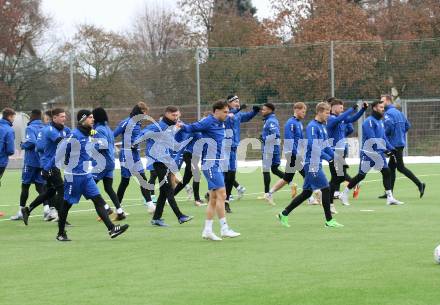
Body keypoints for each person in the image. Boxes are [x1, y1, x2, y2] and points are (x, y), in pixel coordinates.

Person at [54, 110, 129, 241]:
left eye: (93, 117)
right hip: (73, 176)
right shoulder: (74, 135)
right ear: (82, 120)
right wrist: (48, 168)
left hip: (86, 175)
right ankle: (61, 233)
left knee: (98, 200)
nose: (93, 120)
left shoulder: (89, 133)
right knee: (66, 205)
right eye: (90, 118)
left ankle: (111, 229)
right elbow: (60, 152)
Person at [277, 102, 344, 228]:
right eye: (326, 112)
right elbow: (314, 146)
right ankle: (329, 220)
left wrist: (336, 158)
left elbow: (325, 146)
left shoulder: (322, 127)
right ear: (319, 112)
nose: (328, 115)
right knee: (326, 188)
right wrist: (329, 159)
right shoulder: (312, 127)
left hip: (316, 162)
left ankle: (283, 213)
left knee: (307, 193)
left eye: (329, 113)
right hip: (311, 163)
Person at [180, 100, 241, 241]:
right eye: (225, 112)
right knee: (222, 194)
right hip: (210, 164)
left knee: (213, 199)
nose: (227, 114)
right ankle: (224, 228)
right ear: (216, 111)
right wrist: (182, 126)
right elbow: (193, 127)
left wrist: (234, 113)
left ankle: (207, 230)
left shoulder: (221, 122)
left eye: (227, 112)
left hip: (216, 163)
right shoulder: (209, 121)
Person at [136, 106, 193, 227]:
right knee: (168, 189)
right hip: (157, 162)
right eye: (174, 115)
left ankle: (156, 218)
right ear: (166, 114)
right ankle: (180, 216)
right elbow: (143, 133)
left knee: (163, 192)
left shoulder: (171, 127)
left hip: (165, 161)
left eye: (177, 115)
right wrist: (135, 142)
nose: (176, 117)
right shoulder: (157, 126)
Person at [339, 100, 403, 206]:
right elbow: (372, 139)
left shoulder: (380, 122)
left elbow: (383, 138)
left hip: (378, 153)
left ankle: (390, 198)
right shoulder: (368, 122)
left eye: (383, 107)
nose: (383, 109)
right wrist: (385, 150)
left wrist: (392, 148)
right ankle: (344, 194)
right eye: (381, 107)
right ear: (374, 108)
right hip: (368, 153)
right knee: (361, 176)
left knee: (386, 172)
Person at [22, 108, 71, 224]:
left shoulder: (63, 129)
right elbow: (62, 143)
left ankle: (28, 209)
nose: (64, 118)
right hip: (49, 165)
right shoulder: (49, 130)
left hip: (54, 164)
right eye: (62, 116)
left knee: (50, 192)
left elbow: (73, 136)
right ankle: (61, 218)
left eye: (65, 116)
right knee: (62, 190)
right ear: (54, 118)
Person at [378, 94, 425, 198]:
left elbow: (388, 128)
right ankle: (389, 192)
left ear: (388, 101)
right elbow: (407, 125)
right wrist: (400, 134)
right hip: (400, 143)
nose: (381, 103)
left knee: (400, 167)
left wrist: (383, 137)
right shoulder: (399, 113)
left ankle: (420, 184)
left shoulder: (388, 114)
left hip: (393, 145)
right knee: (391, 168)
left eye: (382, 101)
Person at [326, 98, 367, 212]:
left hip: (341, 152)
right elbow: (342, 118)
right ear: (333, 107)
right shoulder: (331, 118)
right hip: (334, 152)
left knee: (338, 178)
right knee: (336, 178)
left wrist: (363, 110)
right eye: (340, 107)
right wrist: (351, 109)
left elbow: (352, 119)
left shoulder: (340, 119)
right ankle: (330, 202)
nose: (342, 110)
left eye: (343, 108)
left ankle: (331, 198)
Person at [113, 102, 155, 214]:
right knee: (125, 182)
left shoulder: (138, 122)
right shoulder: (126, 122)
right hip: (126, 155)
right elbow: (113, 134)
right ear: (139, 111)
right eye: (144, 112)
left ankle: (150, 205)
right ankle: (118, 208)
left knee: (142, 179)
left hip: (135, 155)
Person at [265, 102, 307, 205]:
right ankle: (311, 197)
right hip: (293, 154)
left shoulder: (299, 123)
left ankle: (269, 193)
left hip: (297, 154)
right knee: (306, 174)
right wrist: (296, 154)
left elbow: (300, 140)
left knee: (287, 178)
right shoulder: (291, 123)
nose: (304, 113)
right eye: (303, 111)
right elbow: (289, 140)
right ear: (296, 110)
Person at [223, 95, 260, 212]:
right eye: (235, 101)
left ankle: (226, 200)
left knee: (231, 175)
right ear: (229, 104)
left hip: (233, 148)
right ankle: (217, 196)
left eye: (238, 101)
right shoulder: (224, 114)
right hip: (224, 148)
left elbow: (246, 117)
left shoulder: (238, 114)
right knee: (224, 175)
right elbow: (228, 116)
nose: (238, 103)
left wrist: (255, 111)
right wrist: (237, 109)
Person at [11, 110, 48, 221]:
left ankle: (21, 211)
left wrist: (23, 145)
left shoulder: (30, 128)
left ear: (31, 117)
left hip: (31, 162)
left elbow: (31, 142)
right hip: (41, 161)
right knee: (40, 187)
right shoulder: (44, 128)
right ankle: (47, 210)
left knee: (25, 186)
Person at [91, 107, 126, 221]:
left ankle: (106, 208)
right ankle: (120, 212)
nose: (91, 119)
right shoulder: (107, 128)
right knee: (108, 188)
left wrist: (90, 148)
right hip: (109, 162)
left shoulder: (99, 129)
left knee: (89, 185)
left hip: (102, 163)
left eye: (92, 116)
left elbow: (102, 145)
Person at [259, 103, 284, 203]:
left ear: (270, 110)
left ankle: (266, 194)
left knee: (266, 170)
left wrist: (264, 138)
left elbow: (276, 134)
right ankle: (291, 183)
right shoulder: (269, 120)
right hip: (273, 148)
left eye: (264, 109)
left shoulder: (271, 121)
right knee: (274, 169)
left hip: (270, 148)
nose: (262, 111)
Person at [0, 108, 16, 191]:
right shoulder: (9, 130)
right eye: (13, 117)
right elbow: (10, 150)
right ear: (9, 117)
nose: (14, 119)